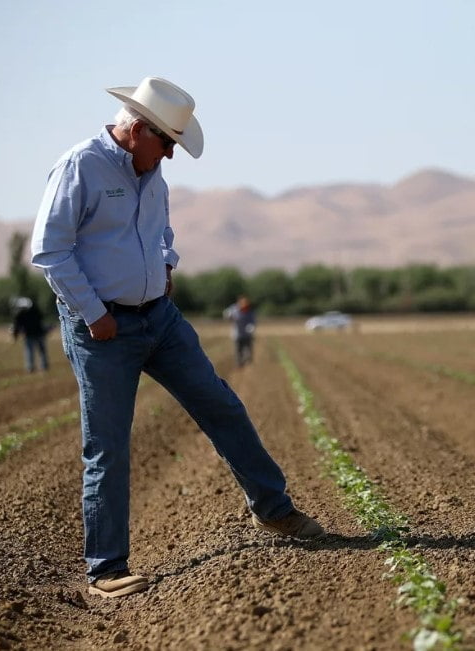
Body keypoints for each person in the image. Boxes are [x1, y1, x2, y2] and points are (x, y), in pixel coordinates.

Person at [31, 77, 323, 599]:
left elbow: (163, 234)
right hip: (104, 330)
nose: (170, 154)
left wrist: (166, 265)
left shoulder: (153, 175)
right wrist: (95, 314)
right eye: (166, 143)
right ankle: (106, 570)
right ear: (138, 129)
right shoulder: (81, 166)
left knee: (221, 405)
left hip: (160, 319)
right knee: (109, 445)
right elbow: (51, 250)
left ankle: (273, 510)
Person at [11, 297, 49, 373]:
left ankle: (39, 366)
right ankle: (31, 367)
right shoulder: (21, 314)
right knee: (32, 351)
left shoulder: (33, 311)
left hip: (37, 333)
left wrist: (15, 335)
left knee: (38, 350)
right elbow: (17, 326)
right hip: (32, 334)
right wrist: (15, 335)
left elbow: (17, 326)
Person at [223, 295, 256, 366]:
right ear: (239, 303)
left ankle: (247, 362)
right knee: (238, 351)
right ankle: (239, 365)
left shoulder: (250, 311)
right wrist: (228, 316)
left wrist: (251, 327)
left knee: (248, 352)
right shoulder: (233, 309)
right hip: (237, 334)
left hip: (247, 335)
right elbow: (226, 315)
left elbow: (253, 321)